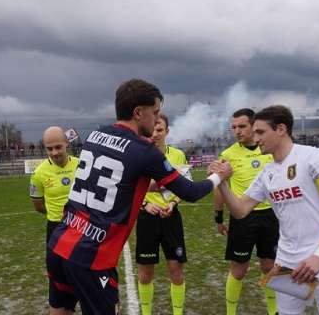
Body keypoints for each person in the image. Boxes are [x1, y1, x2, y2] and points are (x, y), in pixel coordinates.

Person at [46, 79, 231, 315]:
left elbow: (118, 183)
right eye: (154, 113)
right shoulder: (146, 153)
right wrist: (219, 176)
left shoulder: (95, 135)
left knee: (59, 311)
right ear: (138, 112)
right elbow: (191, 193)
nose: (156, 120)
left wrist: (152, 184)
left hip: (60, 243)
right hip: (91, 257)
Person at [213, 105, 319, 314]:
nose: (255, 137)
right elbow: (241, 210)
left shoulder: (315, 158)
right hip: (286, 262)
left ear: (280, 129)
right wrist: (223, 182)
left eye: (260, 132)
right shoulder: (267, 172)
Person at [213, 108, 278, 315]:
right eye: (234, 128)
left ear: (253, 126)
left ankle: (273, 310)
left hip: (271, 216)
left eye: (242, 126)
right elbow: (218, 187)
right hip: (242, 217)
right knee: (239, 270)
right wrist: (218, 217)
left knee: (270, 267)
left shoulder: (269, 151)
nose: (237, 131)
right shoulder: (228, 155)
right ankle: (231, 312)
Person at [136, 113, 191, 315]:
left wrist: (174, 203)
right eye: (153, 129)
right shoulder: (139, 156)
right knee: (145, 274)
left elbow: (186, 187)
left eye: (160, 130)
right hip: (146, 218)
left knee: (176, 271)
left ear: (167, 131)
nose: (156, 133)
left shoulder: (177, 155)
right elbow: (129, 189)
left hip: (171, 218)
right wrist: (144, 205)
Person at [30, 126, 79, 245]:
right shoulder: (38, 173)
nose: (54, 153)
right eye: (49, 149)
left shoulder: (81, 165)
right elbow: (39, 206)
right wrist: (55, 213)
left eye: (58, 147)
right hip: (55, 227)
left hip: (80, 226)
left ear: (66, 143)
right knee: (55, 264)